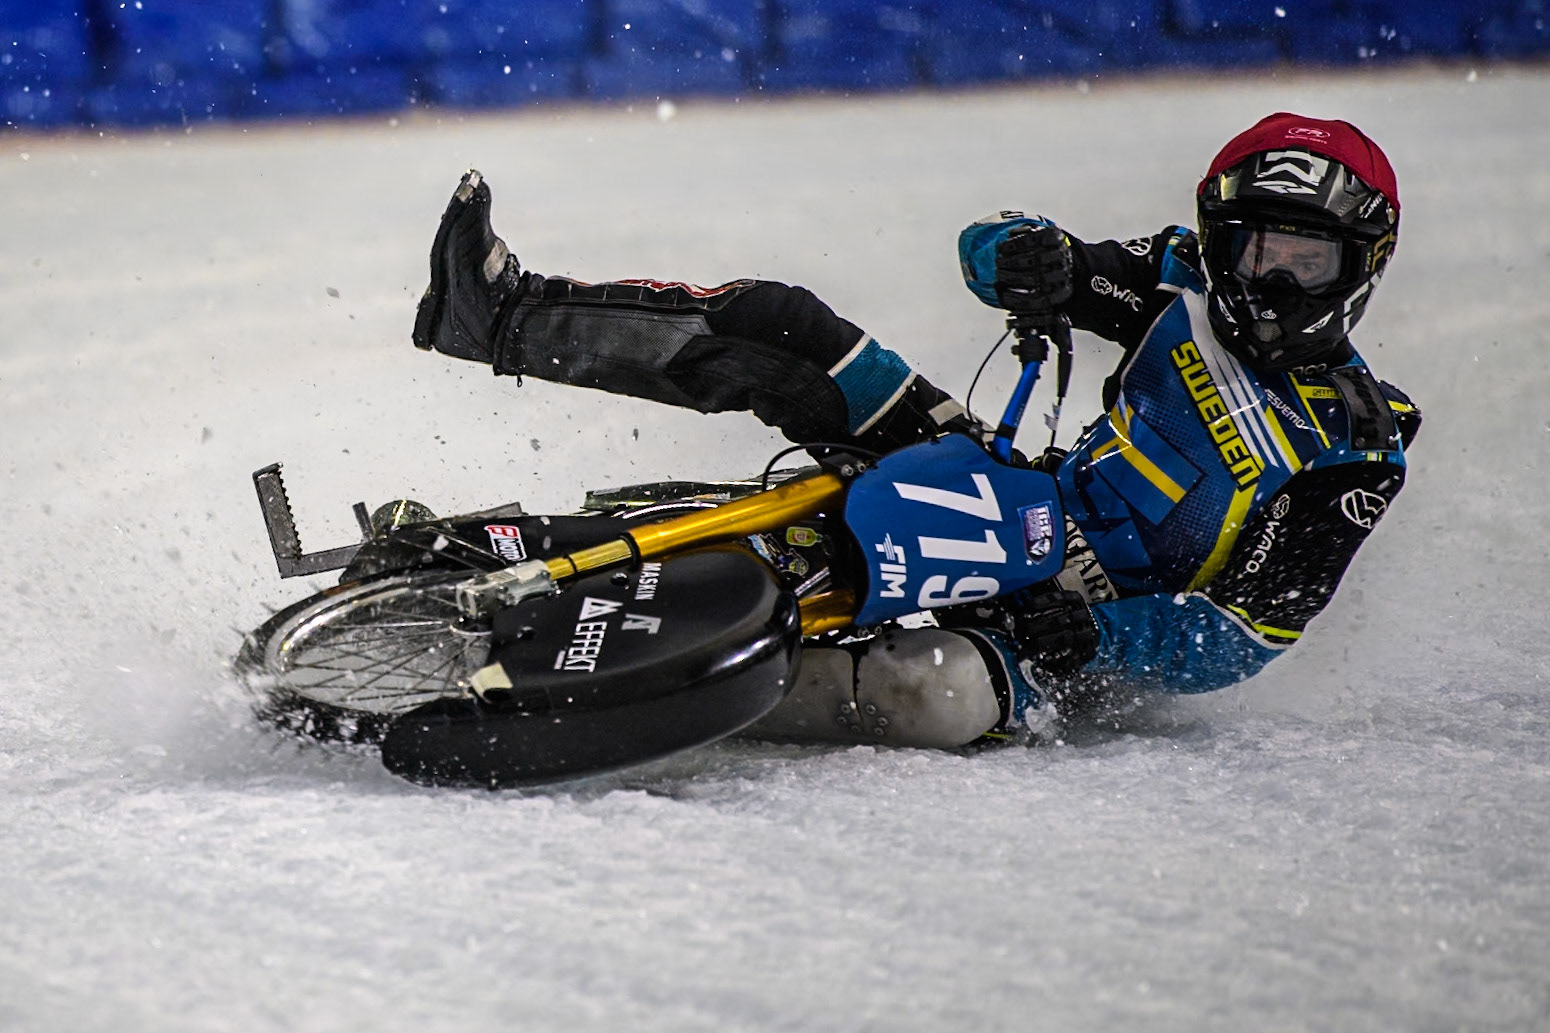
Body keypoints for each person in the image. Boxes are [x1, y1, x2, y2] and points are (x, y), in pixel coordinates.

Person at [412, 111, 1419, 747]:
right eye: (1251, 250)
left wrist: (1095, 637)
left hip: (1067, 636)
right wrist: (1024, 257)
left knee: (930, 691)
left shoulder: (1357, 445)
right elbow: (1002, 251)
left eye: (1306, 261)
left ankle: (650, 693)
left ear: (1361, 267)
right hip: (1019, 501)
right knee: (783, 329)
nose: (1270, 281)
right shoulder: (1175, 280)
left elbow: (1245, 630)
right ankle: (500, 319)